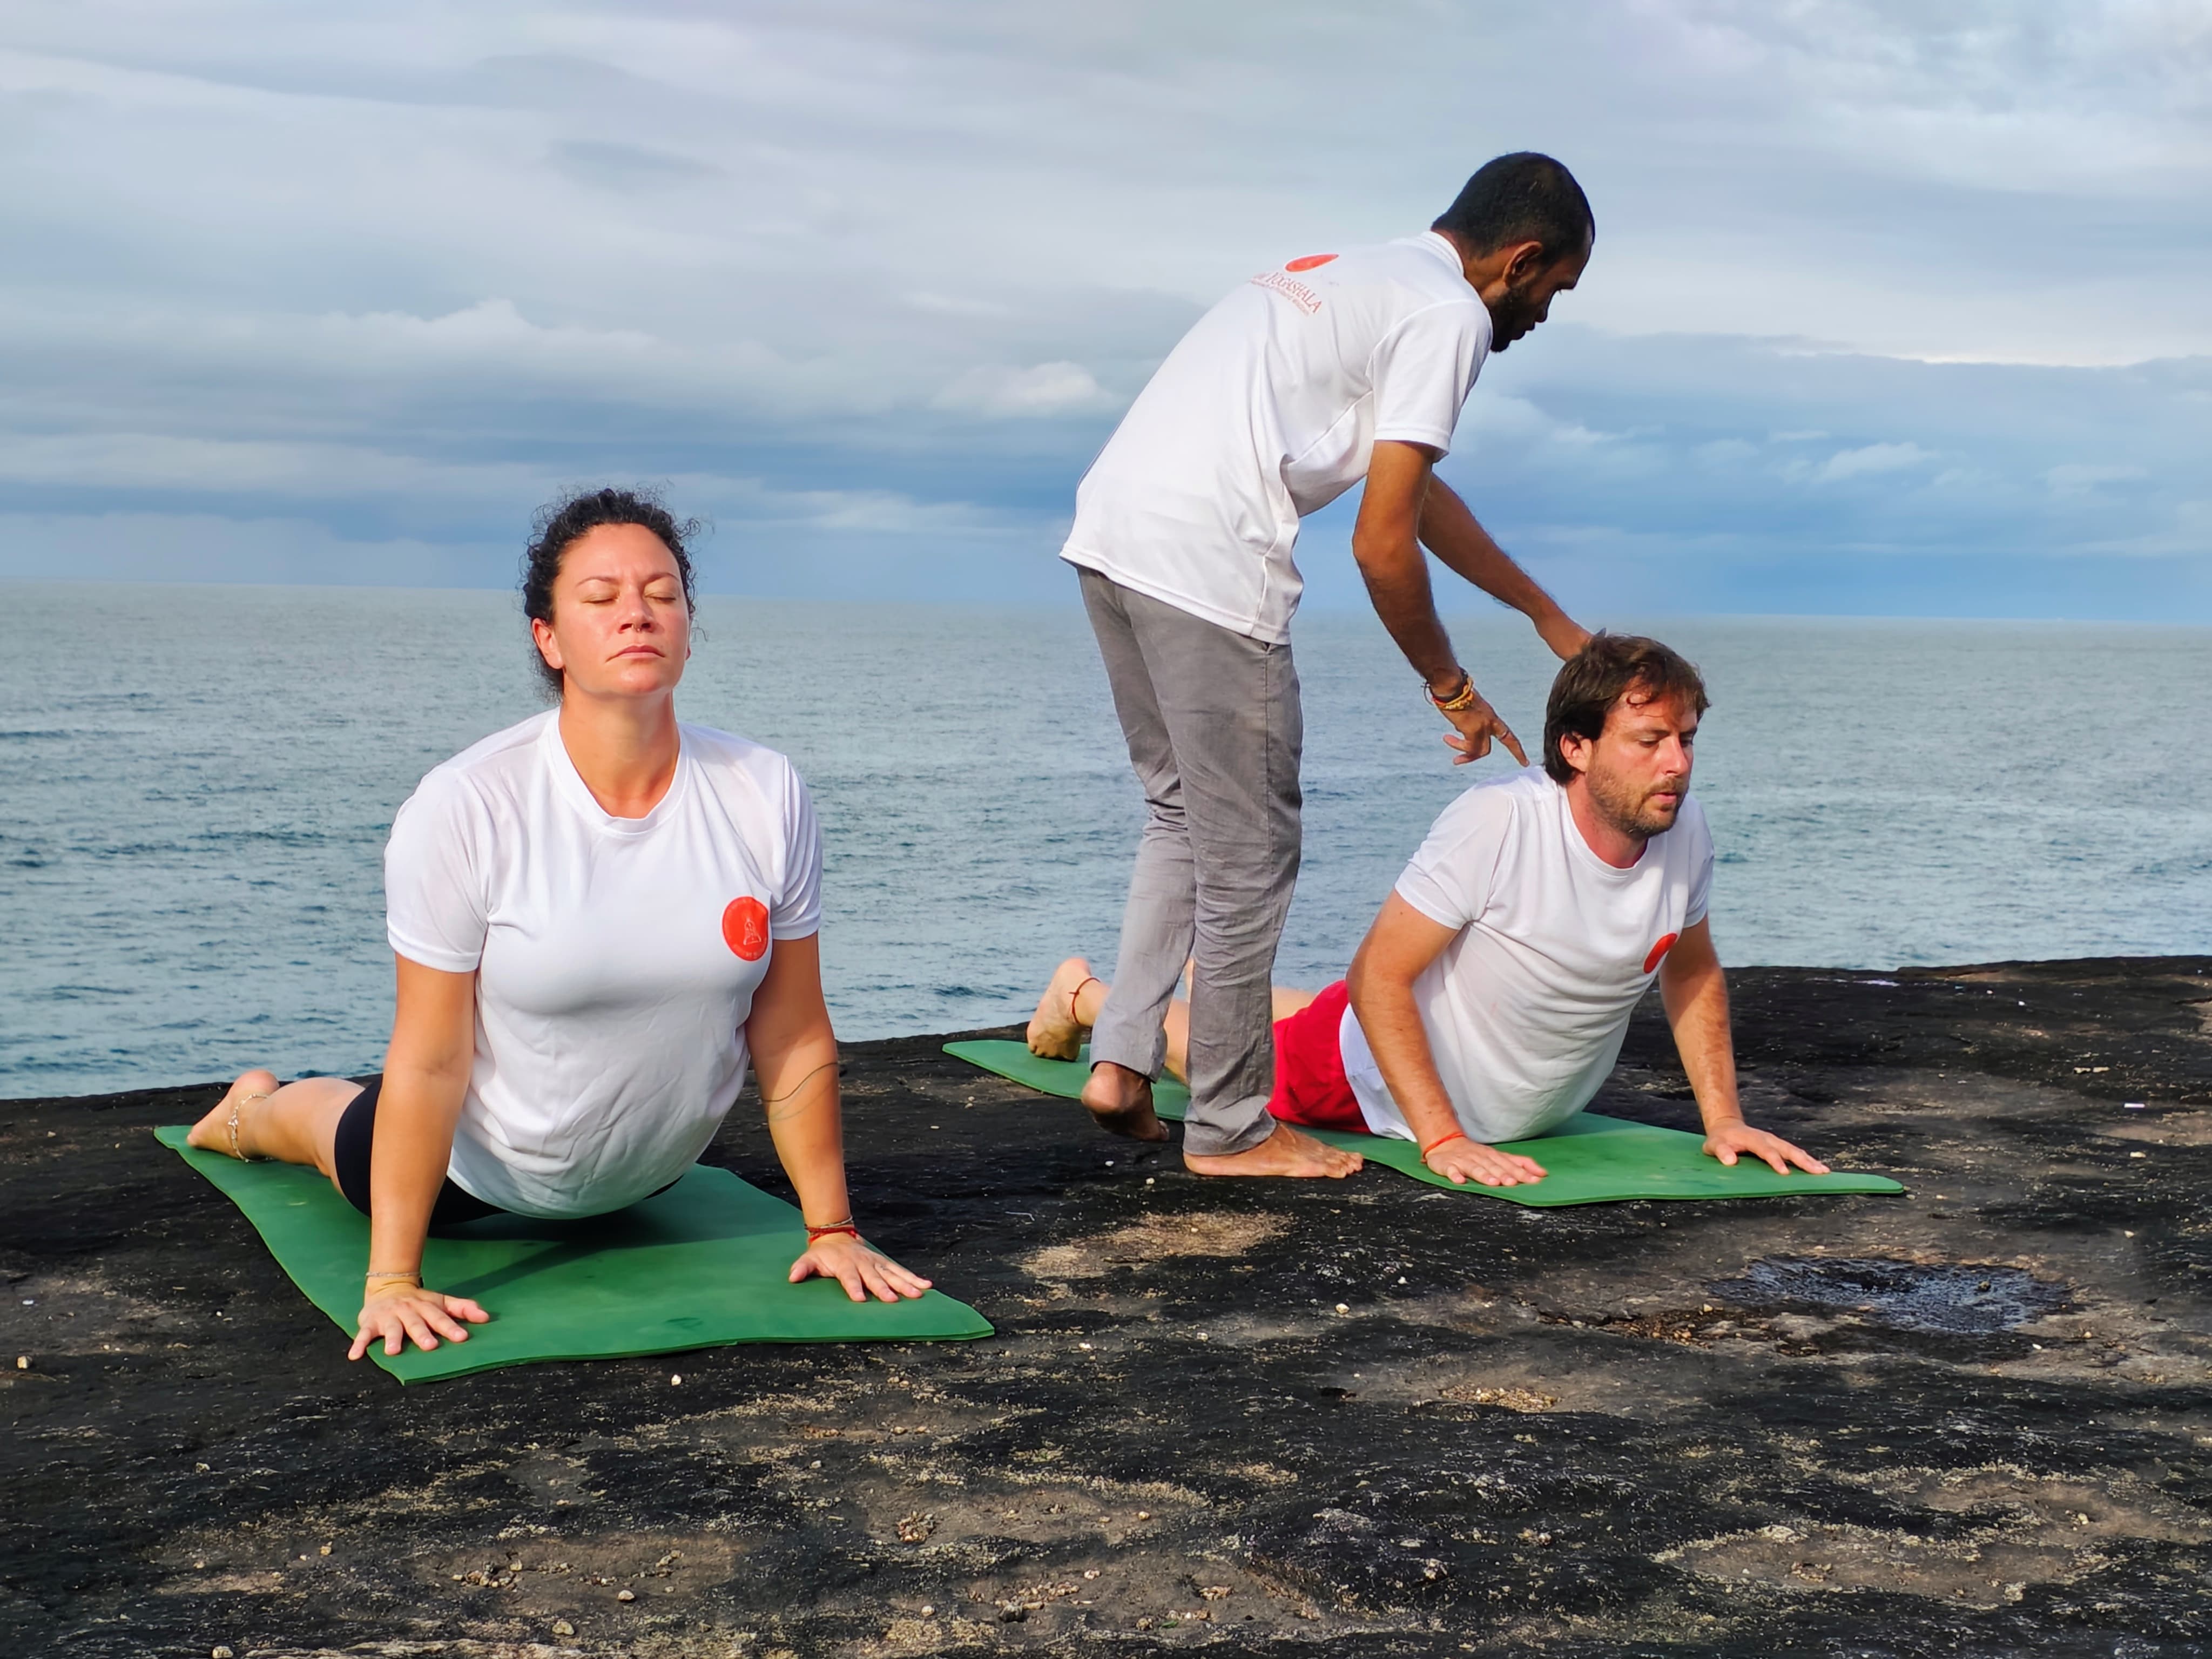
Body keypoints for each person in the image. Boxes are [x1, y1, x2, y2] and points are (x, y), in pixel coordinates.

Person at [188, 488, 932, 1361]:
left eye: (662, 594)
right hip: (479, 1177)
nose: (637, 614)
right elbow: (431, 1057)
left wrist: (832, 1227)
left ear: (690, 623)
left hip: (646, 1182)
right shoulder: (469, 804)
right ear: (549, 638)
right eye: (601, 597)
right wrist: (392, 1281)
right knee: (332, 1126)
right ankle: (246, 1110)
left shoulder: (764, 790)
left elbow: (794, 1025)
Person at [1060, 152, 1599, 1179]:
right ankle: (1229, 1127)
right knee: (1252, 854)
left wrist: (1539, 613)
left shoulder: (1363, 273)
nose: (1541, 319)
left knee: (1181, 813)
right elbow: (1381, 543)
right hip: (1209, 562)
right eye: (1553, 293)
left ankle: (1123, 1063)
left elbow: (1416, 497)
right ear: (1521, 262)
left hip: (1112, 532)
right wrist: (1452, 687)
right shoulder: (1451, 318)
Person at [1027, 634, 1827, 1187]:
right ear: (1576, 748)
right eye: (1650, 740)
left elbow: (1691, 971)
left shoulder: (1682, 830)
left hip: (1507, 1090)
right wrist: (1441, 1137)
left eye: (1687, 739)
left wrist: (1723, 1121)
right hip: (1365, 1082)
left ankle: (1216, 992)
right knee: (1223, 1060)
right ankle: (1087, 997)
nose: (1678, 765)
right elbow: (1379, 977)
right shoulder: (1501, 821)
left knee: (1327, 1008)